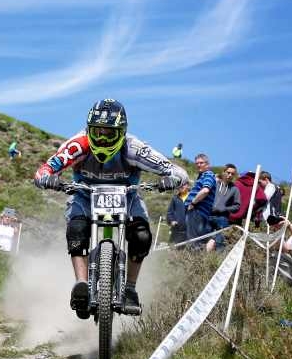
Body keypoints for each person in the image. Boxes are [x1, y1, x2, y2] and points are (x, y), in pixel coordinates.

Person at [34, 98, 188, 317]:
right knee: (76, 231)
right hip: (86, 194)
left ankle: (130, 289)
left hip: (128, 196)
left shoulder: (134, 148)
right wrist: (48, 179)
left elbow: (179, 173)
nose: (103, 138)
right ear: (89, 129)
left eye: (109, 133)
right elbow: (43, 171)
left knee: (142, 237)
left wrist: (170, 180)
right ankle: (82, 286)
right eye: (97, 132)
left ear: (122, 132)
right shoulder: (78, 145)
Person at [205, 162, 241, 252]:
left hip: (222, 218)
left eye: (232, 174)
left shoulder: (235, 189)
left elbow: (237, 206)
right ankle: (199, 260)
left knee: (220, 243)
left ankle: (217, 261)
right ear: (223, 172)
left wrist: (224, 209)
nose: (230, 175)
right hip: (208, 215)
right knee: (203, 238)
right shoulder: (215, 184)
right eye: (228, 172)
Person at [184, 153, 217, 252]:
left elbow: (205, 190)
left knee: (194, 240)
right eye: (197, 163)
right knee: (195, 239)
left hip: (197, 211)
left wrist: (192, 203)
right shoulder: (202, 175)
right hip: (197, 211)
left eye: (201, 163)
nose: (198, 165)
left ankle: (195, 261)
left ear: (207, 164)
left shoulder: (208, 174)